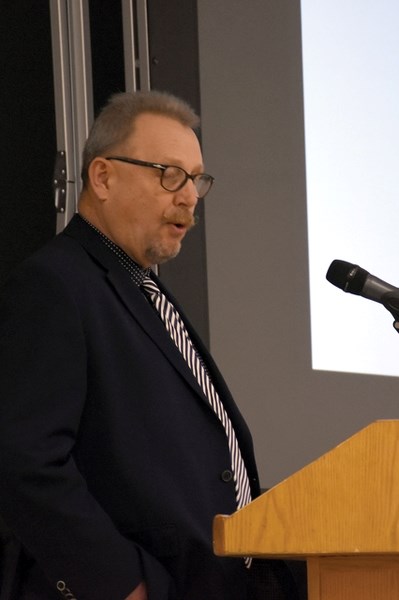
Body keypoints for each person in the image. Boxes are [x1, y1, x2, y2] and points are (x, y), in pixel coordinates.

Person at [0, 90, 300, 599]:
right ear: (103, 177)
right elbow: (26, 459)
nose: (188, 196)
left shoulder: (143, 290)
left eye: (196, 179)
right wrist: (119, 585)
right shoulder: (56, 285)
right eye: (169, 174)